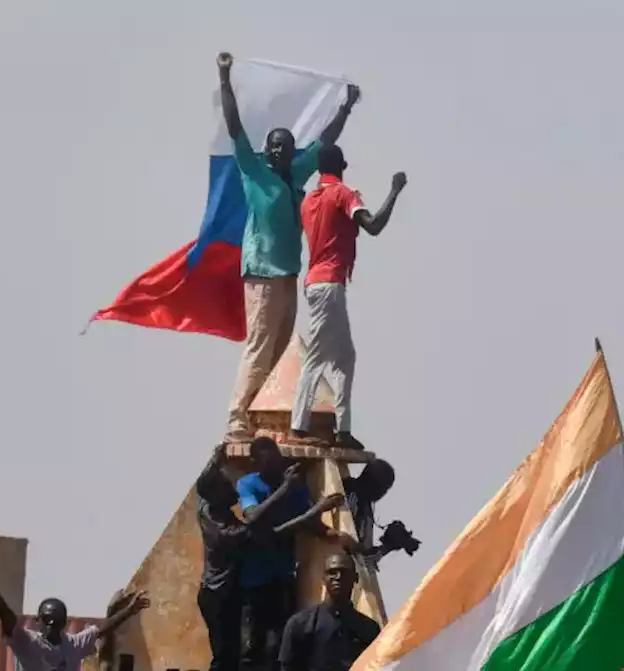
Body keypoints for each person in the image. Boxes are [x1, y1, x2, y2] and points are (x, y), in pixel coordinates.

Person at [217, 51, 361, 444]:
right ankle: (237, 419)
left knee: (281, 351)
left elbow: (326, 142)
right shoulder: (255, 172)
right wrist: (225, 78)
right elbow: (234, 125)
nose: (280, 151)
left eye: (286, 146)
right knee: (259, 347)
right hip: (261, 275)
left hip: (289, 274)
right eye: (275, 146)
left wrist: (345, 106)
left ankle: (263, 418)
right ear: (267, 150)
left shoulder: (295, 174)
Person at [289, 145, 408, 450]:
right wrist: (394, 191)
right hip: (329, 285)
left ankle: (343, 429)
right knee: (316, 357)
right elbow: (373, 226)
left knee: (344, 358)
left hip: (318, 283)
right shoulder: (343, 194)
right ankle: (298, 428)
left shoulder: (309, 201)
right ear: (342, 165)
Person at [196, 443, 346, 671]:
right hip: (225, 593)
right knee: (233, 655)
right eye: (226, 487)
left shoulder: (208, 506)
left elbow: (207, 483)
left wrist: (216, 456)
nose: (233, 491)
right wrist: (313, 507)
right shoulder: (228, 530)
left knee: (275, 647)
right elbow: (266, 529)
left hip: (268, 581)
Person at [235, 437, 356, 669]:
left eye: (277, 461)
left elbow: (313, 526)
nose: (276, 468)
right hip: (253, 579)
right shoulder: (248, 484)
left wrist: (342, 538)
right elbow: (254, 520)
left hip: (282, 577)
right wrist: (286, 490)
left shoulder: (296, 488)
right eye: (269, 463)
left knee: (277, 645)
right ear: (257, 465)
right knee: (250, 648)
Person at [0, 555, 151, 671]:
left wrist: (128, 611)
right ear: (39, 621)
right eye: (48, 619)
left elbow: (102, 630)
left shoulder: (72, 645)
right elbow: (5, 612)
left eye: (55, 620)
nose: (51, 624)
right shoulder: (27, 641)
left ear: (63, 622)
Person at [279, 553, 381, 671]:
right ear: (323, 578)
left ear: (355, 578)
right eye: (332, 572)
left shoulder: (369, 629)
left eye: (344, 572)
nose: (338, 577)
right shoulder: (299, 624)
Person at [343, 460, 418, 570]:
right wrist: (388, 547)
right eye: (383, 488)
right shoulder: (351, 498)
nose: (383, 493)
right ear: (371, 482)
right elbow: (358, 558)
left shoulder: (365, 505)